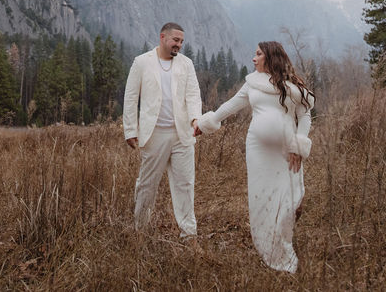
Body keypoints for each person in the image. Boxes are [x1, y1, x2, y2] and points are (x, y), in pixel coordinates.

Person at [193, 40, 315, 273]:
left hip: (286, 151)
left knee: (292, 199)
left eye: (258, 54)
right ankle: (272, 250)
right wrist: (204, 123)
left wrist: (298, 146)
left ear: (270, 57)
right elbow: (230, 106)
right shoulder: (252, 83)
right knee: (262, 199)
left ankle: (281, 239)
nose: (253, 58)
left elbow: (305, 116)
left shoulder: (291, 87)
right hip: (257, 150)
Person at [123, 22, 203, 238]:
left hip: (182, 134)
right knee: (147, 184)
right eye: (175, 40)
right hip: (154, 134)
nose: (179, 45)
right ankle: (140, 230)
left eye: (181, 42)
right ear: (162, 37)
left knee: (185, 185)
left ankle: (189, 234)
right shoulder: (142, 63)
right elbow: (131, 97)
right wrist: (130, 130)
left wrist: (196, 119)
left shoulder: (186, 64)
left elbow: (193, 94)